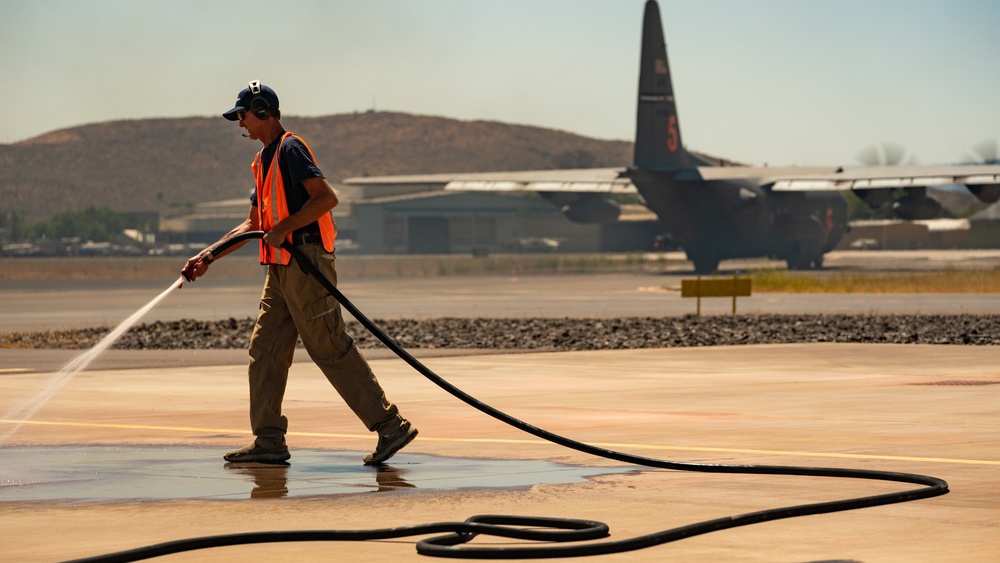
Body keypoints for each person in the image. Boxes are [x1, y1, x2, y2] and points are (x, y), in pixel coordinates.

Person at [182, 80, 417, 466]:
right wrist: (208, 255)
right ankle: (269, 440)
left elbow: (327, 198)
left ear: (261, 111)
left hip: (306, 261)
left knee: (327, 345)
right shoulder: (262, 161)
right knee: (265, 350)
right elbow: (254, 223)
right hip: (279, 268)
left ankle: (390, 425)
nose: (239, 124)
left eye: (241, 116)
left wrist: (285, 228)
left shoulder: (290, 148)